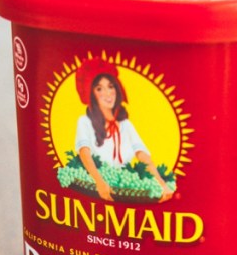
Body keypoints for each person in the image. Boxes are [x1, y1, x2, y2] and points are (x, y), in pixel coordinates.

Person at [74, 58, 173, 202]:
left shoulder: (125, 125)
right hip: (98, 190)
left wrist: (161, 183)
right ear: (91, 94)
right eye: (99, 88)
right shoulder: (85, 122)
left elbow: (142, 155)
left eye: (111, 86)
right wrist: (99, 182)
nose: (108, 93)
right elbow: (84, 153)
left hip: (121, 188)